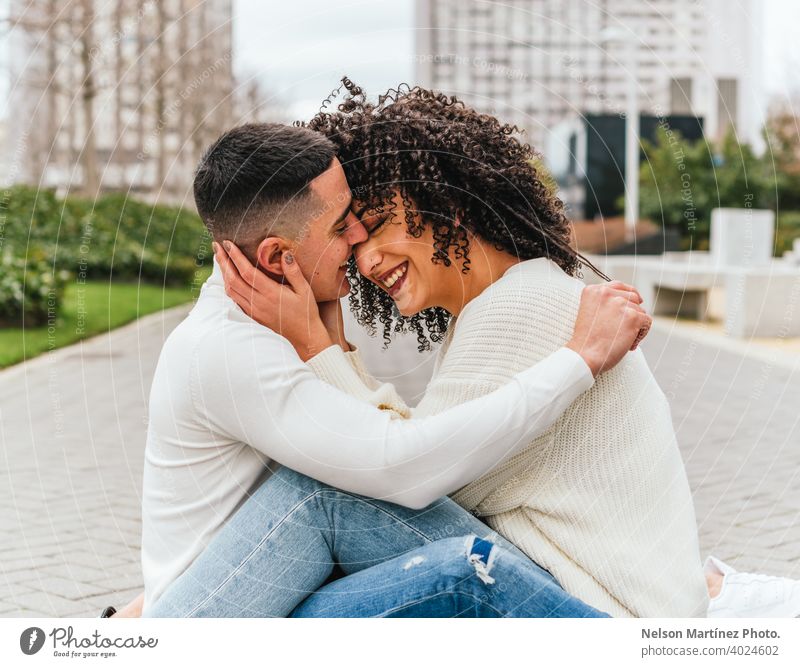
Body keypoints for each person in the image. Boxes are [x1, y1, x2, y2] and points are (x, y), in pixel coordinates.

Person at [190, 81, 800, 618]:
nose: (365, 260)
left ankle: (161, 629)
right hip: (580, 595)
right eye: (349, 240)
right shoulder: (509, 299)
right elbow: (406, 453)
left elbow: (392, 475)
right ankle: (166, 620)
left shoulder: (523, 306)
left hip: (600, 619)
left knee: (320, 499)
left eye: (375, 226)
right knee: (296, 598)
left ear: (446, 203)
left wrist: (315, 344)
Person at [132, 121, 648, 618]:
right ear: (276, 257)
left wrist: (328, 338)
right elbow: (404, 466)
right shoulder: (231, 351)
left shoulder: (271, 321)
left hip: (271, 589)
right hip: (219, 617)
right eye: (342, 225)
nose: (357, 237)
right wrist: (578, 361)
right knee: (335, 496)